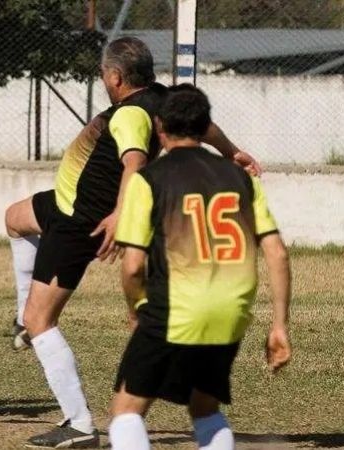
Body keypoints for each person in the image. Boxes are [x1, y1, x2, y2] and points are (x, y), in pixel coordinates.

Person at [5, 37, 263, 448]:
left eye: (104, 75)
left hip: (79, 223)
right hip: (63, 203)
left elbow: (134, 164)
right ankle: (23, 317)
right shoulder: (164, 99)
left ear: (115, 76)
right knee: (15, 219)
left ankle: (78, 423)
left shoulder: (127, 115)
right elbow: (205, 127)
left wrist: (119, 216)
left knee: (43, 321)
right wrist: (233, 152)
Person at [107, 84, 291, 449]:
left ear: (159, 127)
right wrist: (279, 325)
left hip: (174, 308)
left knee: (126, 411)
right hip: (231, 310)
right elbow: (278, 253)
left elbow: (132, 267)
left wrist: (136, 311)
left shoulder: (150, 179)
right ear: (207, 126)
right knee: (205, 408)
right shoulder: (240, 179)